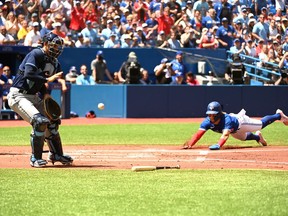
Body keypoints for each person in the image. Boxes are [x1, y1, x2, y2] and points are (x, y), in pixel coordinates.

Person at [7, 32, 73, 167]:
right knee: (40, 121)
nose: (57, 50)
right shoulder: (36, 54)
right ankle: (35, 158)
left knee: (53, 121)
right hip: (18, 95)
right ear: (45, 43)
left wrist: (46, 94)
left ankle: (56, 154)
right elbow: (29, 74)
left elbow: (41, 83)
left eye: (59, 47)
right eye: (54, 46)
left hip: (33, 96)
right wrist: (47, 80)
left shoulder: (54, 63)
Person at [183, 101, 288, 150]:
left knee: (261, 124)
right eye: (209, 114)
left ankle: (278, 115)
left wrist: (218, 145)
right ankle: (257, 137)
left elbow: (225, 135)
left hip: (241, 122)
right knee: (243, 138)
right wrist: (191, 144)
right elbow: (198, 134)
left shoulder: (227, 120)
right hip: (234, 130)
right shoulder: (206, 122)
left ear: (219, 114)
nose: (210, 116)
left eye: (213, 114)